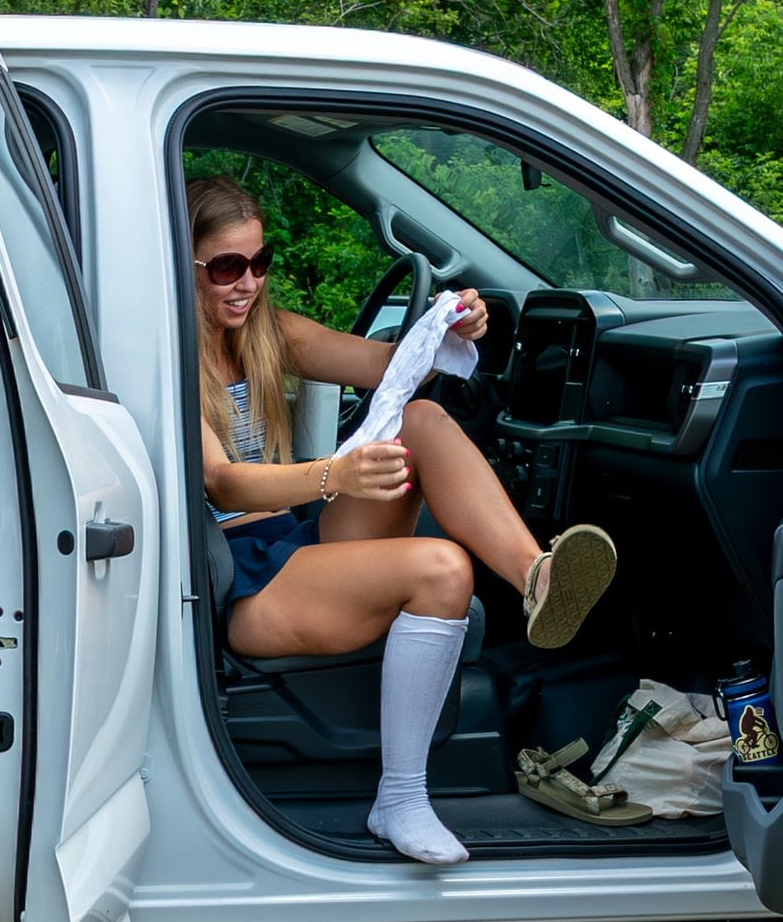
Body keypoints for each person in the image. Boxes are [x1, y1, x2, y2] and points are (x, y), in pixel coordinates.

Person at [189, 175, 615, 864]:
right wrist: (337, 474)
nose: (248, 283)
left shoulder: (268, 332)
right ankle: (402, 798)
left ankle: (537, 575)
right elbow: (221, 478)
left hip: (294, 541)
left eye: (259, 263)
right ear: (188, 265)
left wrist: (453, 326)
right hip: (239, 577)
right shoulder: (167, 351)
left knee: (419, 417)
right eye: (228, 268)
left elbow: (395, 370)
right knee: (443, 569)